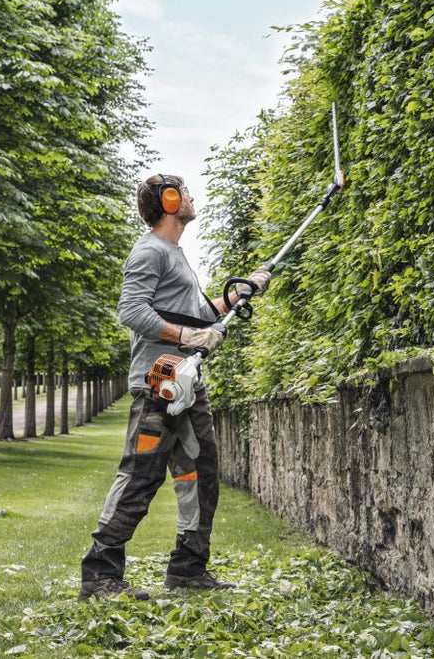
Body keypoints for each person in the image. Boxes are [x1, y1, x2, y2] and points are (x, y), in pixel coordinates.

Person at [79, 174, 271, 599]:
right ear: (168, 201)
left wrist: (237, 295)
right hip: (159, 384)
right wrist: (187, 339)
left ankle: (188, 568)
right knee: (140, 477)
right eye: (184, 192)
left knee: (201, 474)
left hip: (187, 385)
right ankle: (100, 575)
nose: (190, 198)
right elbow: (131, 311)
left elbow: (200, 316)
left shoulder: (175, 254)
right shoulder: (149, 251)